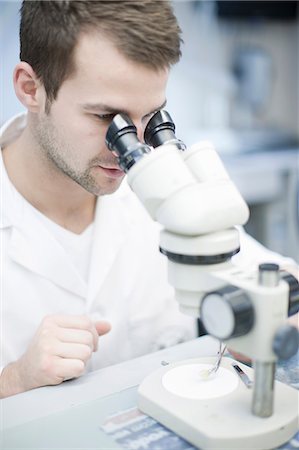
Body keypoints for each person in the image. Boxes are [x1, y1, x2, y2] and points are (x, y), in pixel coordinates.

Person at [0, 0, 297, 399]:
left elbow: (280, 279)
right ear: (30, 88)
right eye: (108, 118)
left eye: (151, 118)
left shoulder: (163, 190)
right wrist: (15, 380)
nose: (133, 145)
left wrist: (268, 321)